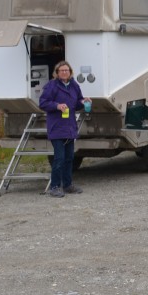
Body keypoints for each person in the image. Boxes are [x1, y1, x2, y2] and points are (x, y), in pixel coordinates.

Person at [38, 60, 91, 198]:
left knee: (69, 158)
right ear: (57, 73)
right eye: (61, 70)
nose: (64, 72)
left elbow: (77, 102)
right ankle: (54, 187)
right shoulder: (51, 85)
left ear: (70, 72)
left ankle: (68, 185)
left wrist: (84, 101)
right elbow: (43, 103)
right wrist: (57, 106)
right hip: (56, 127)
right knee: (59, 158)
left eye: (66, 70)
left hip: (70, 127)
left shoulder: (74, 85)